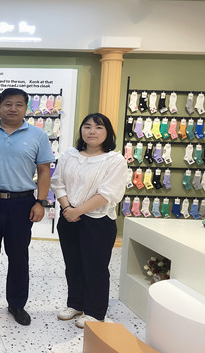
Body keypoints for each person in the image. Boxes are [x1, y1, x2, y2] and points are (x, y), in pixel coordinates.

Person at [0, 87, 54, 326]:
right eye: (8, 104)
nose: (13, 108)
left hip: (22, 203)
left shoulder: (38, 135)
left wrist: (41, 202)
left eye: (19, 104)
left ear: (26, 108)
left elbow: (44, 171)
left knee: (18, 255)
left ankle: (17, 304)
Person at [50, 113, 127, 328]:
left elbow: (108, 193)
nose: (92, 131)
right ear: (81, 130)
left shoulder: (114, 160)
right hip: (69, 217)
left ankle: (95, 311)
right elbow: (58, 182)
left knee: (95, 267)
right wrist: (68, 208)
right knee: (73, 264)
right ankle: (75, 304)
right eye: (87, 126)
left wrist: (78, 210)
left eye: (98, 127)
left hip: (98, 221)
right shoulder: (69, 155)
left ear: (108, 133)